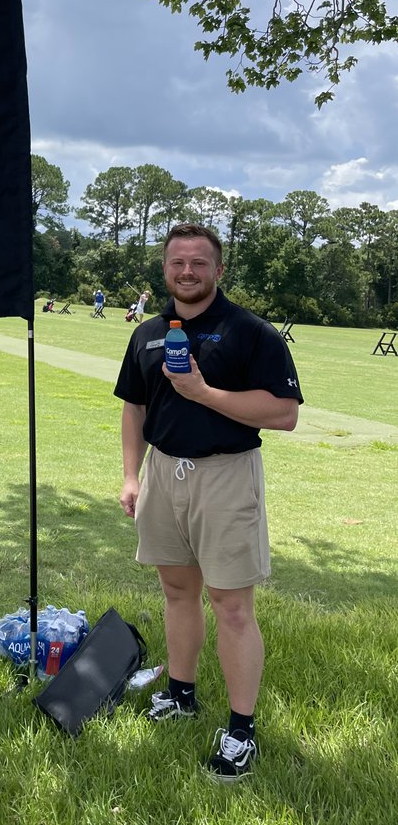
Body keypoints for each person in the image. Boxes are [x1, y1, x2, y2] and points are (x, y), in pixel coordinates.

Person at [114, 223, 301, 782]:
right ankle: (181, 692)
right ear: (165, 269)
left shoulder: (251, 332)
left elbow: (284, 413)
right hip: (163, 473)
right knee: (176, 591)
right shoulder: (147, 333)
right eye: (178, 263)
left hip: (225, 475)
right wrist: (131, 476)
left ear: (219, 270)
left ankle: (241, 732)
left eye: (200, 263)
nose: (188, 272)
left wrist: (203, 393)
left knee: (232, 605)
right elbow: (133, 408)